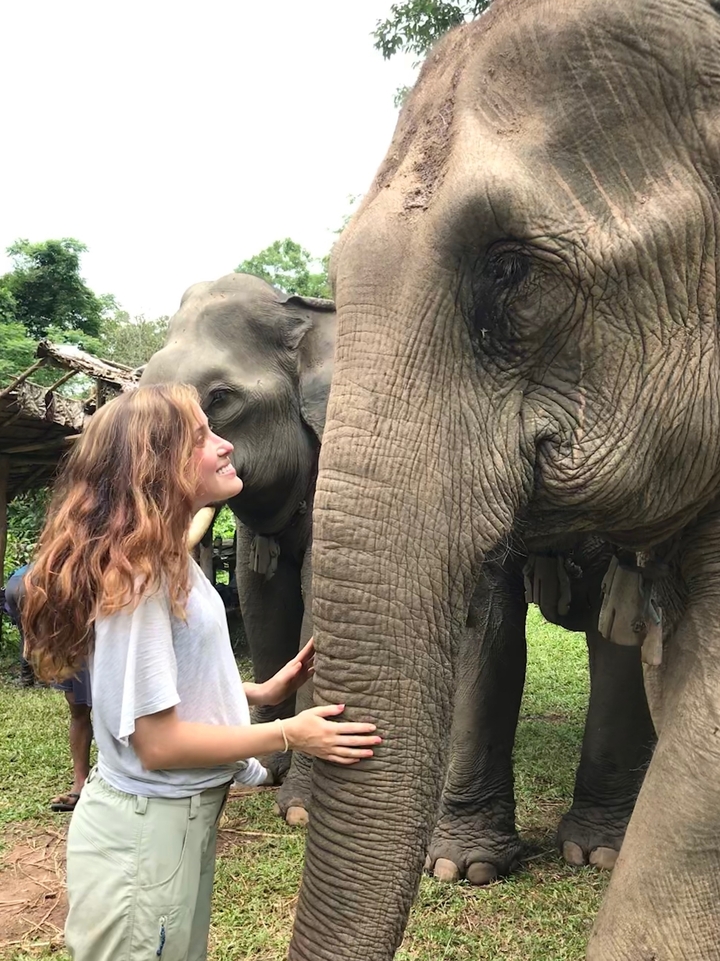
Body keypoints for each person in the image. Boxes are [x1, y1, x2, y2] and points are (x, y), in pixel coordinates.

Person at [22, 383, 381, 961]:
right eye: (201, 437)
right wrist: (291, 733)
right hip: (145, 840)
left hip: (169, 829)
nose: (225, 445)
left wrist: (260, 691)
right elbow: (157, 742)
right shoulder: (141, 580)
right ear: (155, 464)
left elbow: (151, 689)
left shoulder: (164, 562)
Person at [4, 562, 93, 811]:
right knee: (78, 708)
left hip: (82, 613)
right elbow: (30, 647)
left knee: (104, 710)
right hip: (60, 611)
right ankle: (81, 783)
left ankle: (112, 783)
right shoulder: (22, 587)